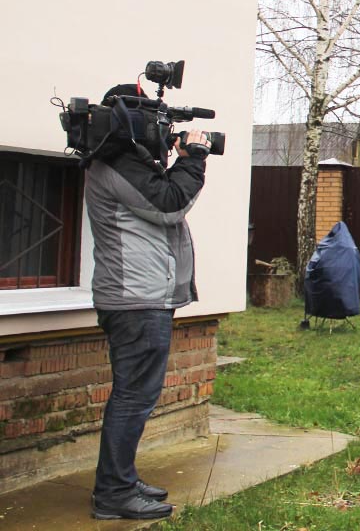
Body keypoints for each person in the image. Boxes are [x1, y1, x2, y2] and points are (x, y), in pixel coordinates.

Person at [85, 84, 212, 519]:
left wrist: (175, 158)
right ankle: (114, 494)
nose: (163, 130)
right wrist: (192, 159)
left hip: (142, 299)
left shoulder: (127, 163)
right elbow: (170, 204)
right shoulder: (118, 164)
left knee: (134, 396)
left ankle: (119, 479)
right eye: (157, 122)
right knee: (133, 397)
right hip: (136, 301)